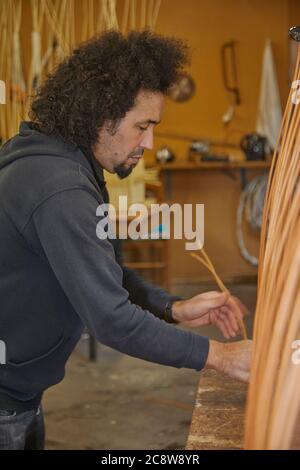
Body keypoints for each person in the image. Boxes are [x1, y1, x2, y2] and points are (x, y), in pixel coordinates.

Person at [0, 30, 252, 450]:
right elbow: (112, 321)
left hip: (18, 388)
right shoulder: (59, 186)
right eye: (143, 126)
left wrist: (173, 307)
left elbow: (104, 272)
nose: (149, 143)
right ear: (101, 115)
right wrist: (224, 358)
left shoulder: (65, 160)